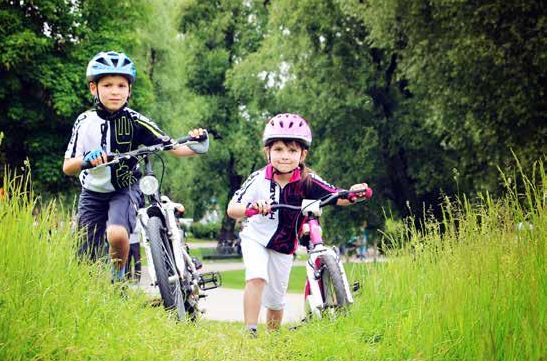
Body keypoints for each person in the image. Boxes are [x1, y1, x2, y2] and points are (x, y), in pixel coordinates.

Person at [63, 51, 209, 282]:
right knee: (83, 262)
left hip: (126, 188)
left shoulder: (136, 121)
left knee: (117, 233)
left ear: (129, 89)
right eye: (108, 85)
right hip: (92, 193)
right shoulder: (84, 122)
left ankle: (118, 278)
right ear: (94, 88)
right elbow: (68, 167)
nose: (114, 91)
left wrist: (197, 142)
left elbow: (174, 147)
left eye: (121, 85)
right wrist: (85, 161)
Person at [226, 113, 368, 335]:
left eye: (292, 151)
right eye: (279, 150)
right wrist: (252, 207)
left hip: (284, 246)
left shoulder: (308, 180)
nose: (285, 156)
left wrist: (353, 194)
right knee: (256, 276)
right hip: (256, 238)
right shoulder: (258, 179)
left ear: (303, 154)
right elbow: (232, 208)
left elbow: (336, 195)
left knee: (275, 300)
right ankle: (250, 332)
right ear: (268, 152)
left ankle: (272, 338)